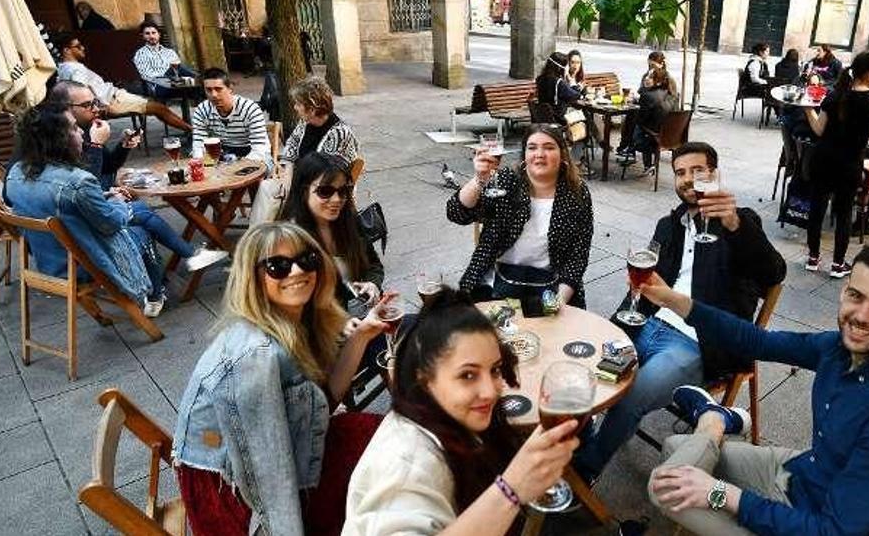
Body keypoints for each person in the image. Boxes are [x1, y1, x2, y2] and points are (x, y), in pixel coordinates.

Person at [639, 241, 869, 535]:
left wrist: (720, 494)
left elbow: (832, 531)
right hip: (804, 472)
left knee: (663, 487)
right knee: (675, 449)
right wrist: (672, 300)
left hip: (811, 520)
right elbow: (758, 341)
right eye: (855, 295)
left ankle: (713, 420)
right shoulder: (840, 348)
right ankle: (715, 420)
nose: (861, 315)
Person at [571, 142, 786, 482]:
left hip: (695, 341)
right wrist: (615, 329)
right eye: (681, 172)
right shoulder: (668, 225)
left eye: (697, 171)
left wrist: (732, 223)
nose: (688, 180)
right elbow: (645, 287)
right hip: (647, 326)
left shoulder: (740, 222)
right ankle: (575, 447)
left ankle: (582, 474)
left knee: (631, 395)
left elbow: (774, 273)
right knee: (586, 372)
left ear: (713, 175)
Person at [173, 221, 390, 535]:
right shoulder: (256, 360)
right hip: (231, 496)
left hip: (279, 449)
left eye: (307, 260)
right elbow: (269, 480)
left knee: (390, 439)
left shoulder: (296, 321)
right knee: (383, 470)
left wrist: (363, 335)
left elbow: (324, 401)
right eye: (278, 266)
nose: (296, 272)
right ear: (253, 278)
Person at [343, 288, 579, 534]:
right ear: (424, 378)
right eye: (467, 375)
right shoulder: (406, 468)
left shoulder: (444, 416)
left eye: (496, 370)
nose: (489, 391)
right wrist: (511, 489)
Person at [45, 81, 227, 293]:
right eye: (87, 105)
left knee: (139, 209)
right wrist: (95, 147)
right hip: (79, 232)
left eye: (95, 102)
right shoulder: (59, 142)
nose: (96, 108)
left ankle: (180, 263)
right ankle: (158, 286)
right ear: (64, 109)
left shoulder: (81, 131)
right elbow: (83, 186)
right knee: (139, 215)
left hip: (83, 215)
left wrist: (122, 147)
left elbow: (107, 167)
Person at [4, 104, 154, 309]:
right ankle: (153, 295)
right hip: (85, 264)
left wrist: (103, 195)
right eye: (75, 128)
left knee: (143, 214)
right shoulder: (77, 181)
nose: (82, 131)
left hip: (49, 264)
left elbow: (58, 202)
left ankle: (169, 277)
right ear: (59, 140)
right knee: (143, 230)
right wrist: (119, 202)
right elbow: (111, 223)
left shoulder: (16, 172)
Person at [447, 125, 594, 307]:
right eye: (532, 147)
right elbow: (456, 213)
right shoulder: (506, 181)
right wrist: (479, 179)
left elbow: (578, 256)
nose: (539, 154)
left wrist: (559, 301)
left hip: (552, 284)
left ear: (562, 153)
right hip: (494, 283)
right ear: (524, 154)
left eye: (548, 147)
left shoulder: (576, 192)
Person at [802, 52, 869, 278]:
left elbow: (819, 130)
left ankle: (812, 257)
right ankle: (838, 264)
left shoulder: (834, 95)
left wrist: (808, 108)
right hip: (848, 164)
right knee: (843, 213)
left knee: (817, 209)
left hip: (822, 159)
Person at [277, 152, 383, 308]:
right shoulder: (290, 238)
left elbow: (374, 265)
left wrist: (373, 284)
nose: (337, 200)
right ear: (303, 191)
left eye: (343, 191)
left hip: (361, 311)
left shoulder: (348, 221)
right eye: (325, 191)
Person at [51, 32, 191, 132]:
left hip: (114, 94)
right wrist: (101, 106)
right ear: (66, 50)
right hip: (112, 100)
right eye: (78, 46)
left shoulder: (63, 68)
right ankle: (193, 132)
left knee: (157, 105)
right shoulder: (74, 70)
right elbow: (83, 91)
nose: (83, 48)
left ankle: (191, 130)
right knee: (159, 108)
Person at [191, 67, 271, 165]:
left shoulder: (250, 109)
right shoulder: (202, 110)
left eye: (218, 89)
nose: (214, 95)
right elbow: (198, 147)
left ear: (230, 89)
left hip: (254, 155)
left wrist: (236, 169)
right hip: (224, 155)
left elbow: (259, 150)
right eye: (209, 90)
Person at [281, 76, 362, 166]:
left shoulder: (339, 134)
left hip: (319, 178)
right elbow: (291, 146)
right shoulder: (305, 123)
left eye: (298, 104)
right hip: (301, 176)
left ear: (312, 110)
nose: (295, 107)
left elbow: (324, 173)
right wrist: (287, 175)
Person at [132, 22, 201, 101]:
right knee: (178, 69)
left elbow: (179, 71)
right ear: (143, 36)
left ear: (159, 34)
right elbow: (147, 75)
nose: (151, 36)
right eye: (147, 34)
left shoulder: (169, 52)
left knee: (194, 84)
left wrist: (176, 78)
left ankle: (200, 84)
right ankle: (199, 79)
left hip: (176, 83)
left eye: (154, 33)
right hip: (158, 86)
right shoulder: (140, 54)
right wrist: (167, 77)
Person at [632, 68, 680, 173]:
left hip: (653, 139)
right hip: (673, 138)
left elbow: (641, 120)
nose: (646, 78)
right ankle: (648, 164)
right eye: (647, 76)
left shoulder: (647, 95)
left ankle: (634, 154)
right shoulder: (673, 94)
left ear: (658, 81)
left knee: (634, 124)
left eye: (650, 77)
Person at [534, 52, 581, 124]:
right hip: (558, 119)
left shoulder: (540, 79)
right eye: (566, 66)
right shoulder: (558, 82)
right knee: (585, 115)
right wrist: (572, 81)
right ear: (560, 67)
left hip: (545, 117)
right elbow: (576, 95)